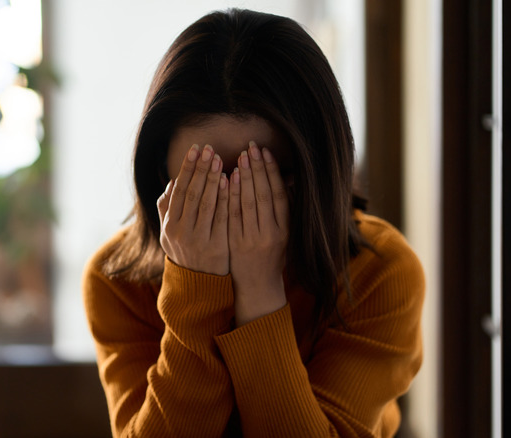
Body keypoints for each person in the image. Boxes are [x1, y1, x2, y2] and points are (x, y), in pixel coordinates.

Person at [82, 8, 424, 437]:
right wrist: (194, 287)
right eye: (197, 185)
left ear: (312, 172)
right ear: (160, 175)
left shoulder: (379, 271)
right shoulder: (118, 279)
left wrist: (260, 294)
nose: (228, 207)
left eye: (257, 182)